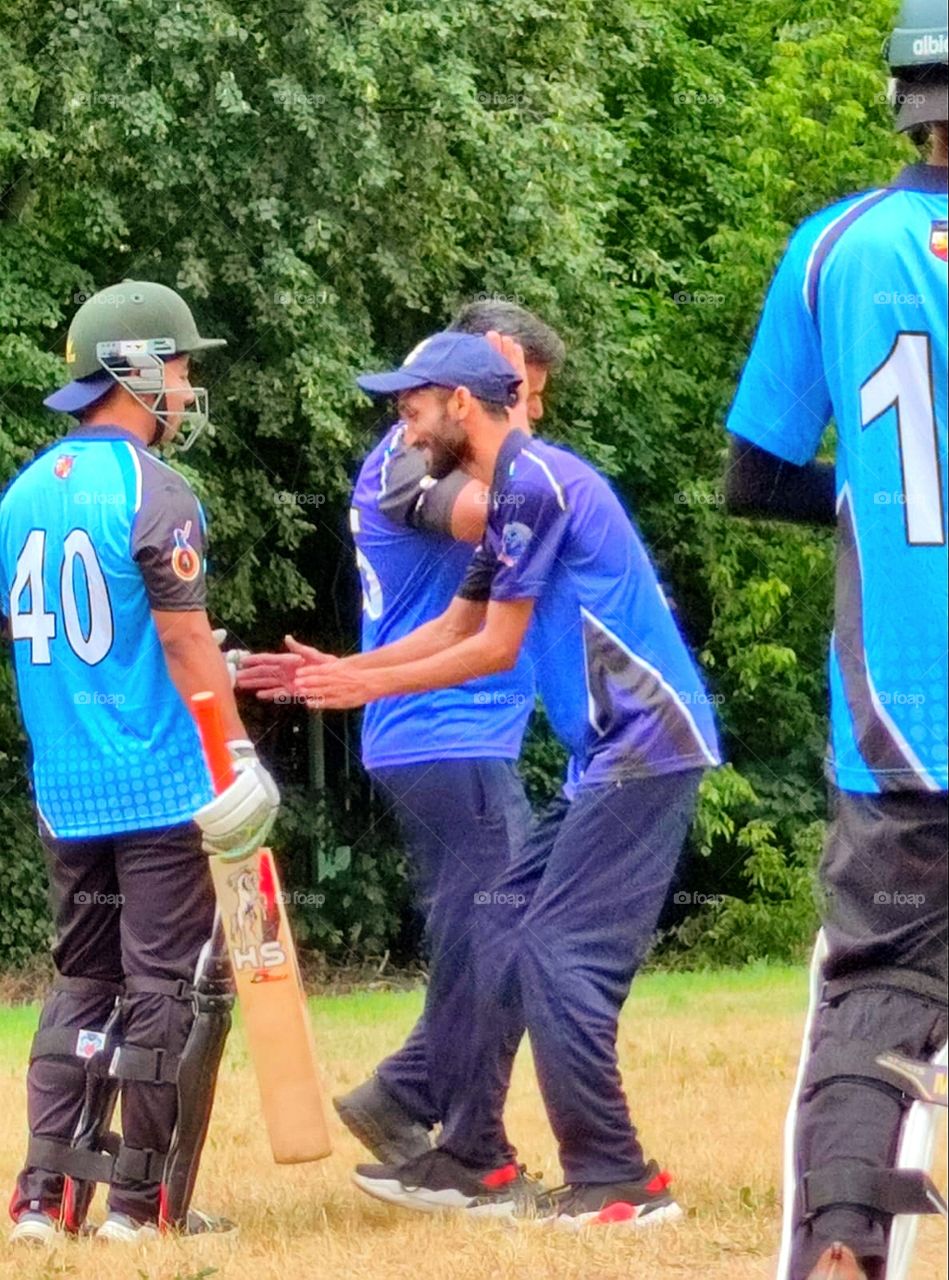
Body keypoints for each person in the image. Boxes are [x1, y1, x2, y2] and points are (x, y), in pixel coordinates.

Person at [288, 330, 721, 1225]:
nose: (404, 424)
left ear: (462, 403)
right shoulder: (516, 488)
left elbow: (494, 647)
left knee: (556, 953)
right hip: (608, 753)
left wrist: (367, 687)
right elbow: (457, 623)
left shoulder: (534, 484)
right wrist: (345, 672)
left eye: (414, 404)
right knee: (508, 928)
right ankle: (458, 1136)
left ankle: (616, 1181)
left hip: (648, 744)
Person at [724, 5, 948, 1276]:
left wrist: (868, 496)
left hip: (903, 703)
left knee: (879, 988)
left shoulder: (834, 246)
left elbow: (752, 479)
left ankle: (843, 1244)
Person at [239, 301, 564, 1169]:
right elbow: (511, 511)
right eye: (520, 392)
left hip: (453, 733)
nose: (531, 413)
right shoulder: (412, 460)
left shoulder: (436, 448)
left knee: (491, 936)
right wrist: (514, 435)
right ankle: (467, 1147)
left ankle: (406, 1097)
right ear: (474, 385)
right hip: (440, 732)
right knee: (500, 939)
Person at [0, 281, 279, 1245]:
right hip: (157, 780)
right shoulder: (155, 490)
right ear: (136, 371)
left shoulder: (22, 493)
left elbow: (72, 640)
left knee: (82, 982)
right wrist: (235, 753)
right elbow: (181, 640)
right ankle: (136, 1206)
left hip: (66, 784)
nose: (188, 389)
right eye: (181, 368)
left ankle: (44, 1199)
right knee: (161, 985)